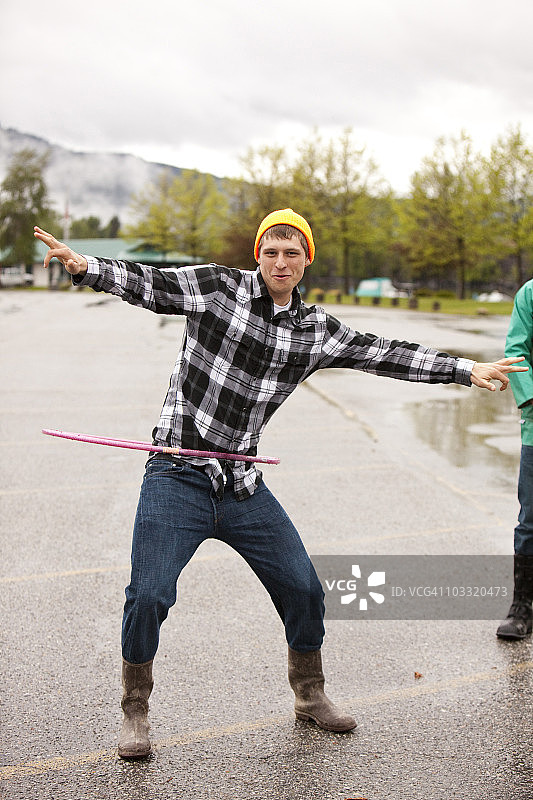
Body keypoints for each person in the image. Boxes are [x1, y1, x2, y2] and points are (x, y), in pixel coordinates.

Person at [34, 210, 527, 759]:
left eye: (292, 253)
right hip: (176, 474)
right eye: (271, 251)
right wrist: (86, 267)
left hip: (242, 484)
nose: (280, 262)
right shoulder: (216, 289)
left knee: (305, 589)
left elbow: (382, 352)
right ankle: (135, 710)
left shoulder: (316, 331)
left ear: (306, 260)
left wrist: (463, 369)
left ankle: (309, 694)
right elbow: (150, 283)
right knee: (148, 594)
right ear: (258, 256)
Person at [496, 280, 533, 640]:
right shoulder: (530, 294)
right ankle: (523, 606)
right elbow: (516, 351)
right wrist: (531, 399)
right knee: (530, 521)